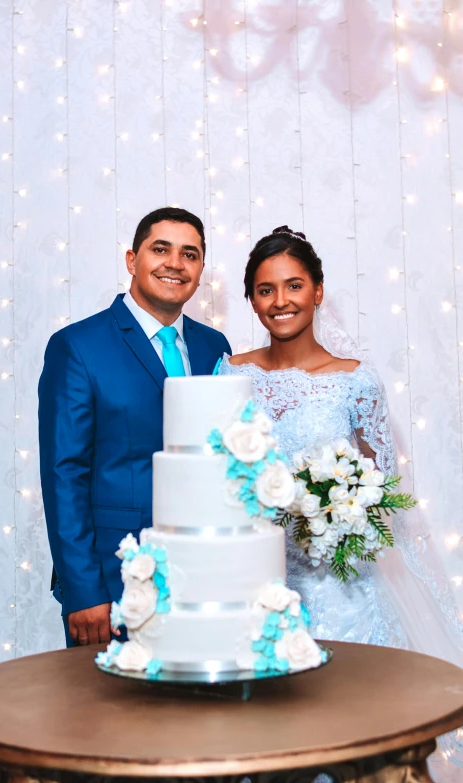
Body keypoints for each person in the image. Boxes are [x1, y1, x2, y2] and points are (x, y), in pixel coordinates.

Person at [218, 226, 463, 664]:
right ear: (252, 301)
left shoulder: (356, 380)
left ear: (317, 292)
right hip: (253, 581)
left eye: (295, 285)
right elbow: (217, 474)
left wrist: (339, 511)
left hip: (339, 584)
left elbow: (383, 492)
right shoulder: (230, 375)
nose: (280, 301)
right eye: (265, 290)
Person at [39, 207, 231, 648]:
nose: (174, 264)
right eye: (160, 249)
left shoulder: (213, 347)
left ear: (201, 269)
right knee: (113, 715)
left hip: (205, 577)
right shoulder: (78, 347)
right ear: (132, 260)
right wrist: (84, 590)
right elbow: (63, 475)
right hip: (113, 580)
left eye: (190, 254)